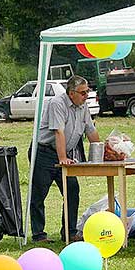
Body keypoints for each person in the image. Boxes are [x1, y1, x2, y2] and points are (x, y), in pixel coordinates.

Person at [30, 75, 100, 243]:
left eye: (87, 92)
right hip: (44, 152)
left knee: (72, 190)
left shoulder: (83, 107)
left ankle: (69, 232)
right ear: (71, 93)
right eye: (83, 93)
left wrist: (102, 150)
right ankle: (39, 235)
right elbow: (58, 132)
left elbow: (90, 131)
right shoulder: (57, 103)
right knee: (39, 194)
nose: (86, 96)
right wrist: (62, 158)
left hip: (64, 154)